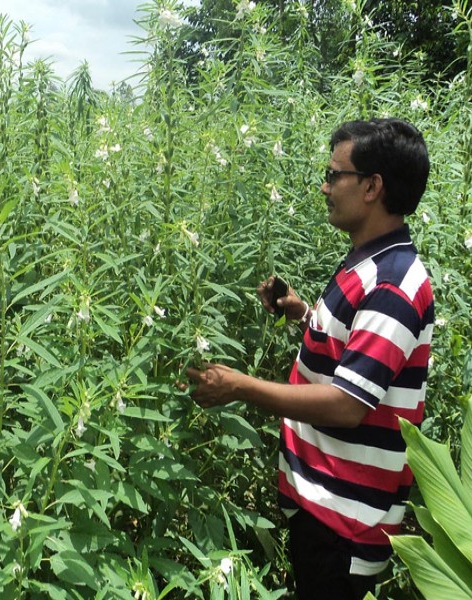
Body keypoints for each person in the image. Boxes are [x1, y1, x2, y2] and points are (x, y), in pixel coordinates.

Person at [185, 118, 434, 600]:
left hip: (347, 525)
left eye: (334, 173)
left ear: (371, 187)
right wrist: (301, 312)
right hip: (323, 504)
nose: (324, 185)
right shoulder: (366, 261)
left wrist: (239, 386)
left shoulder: (395, 282)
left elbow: (347, 403)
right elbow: (355, 350)